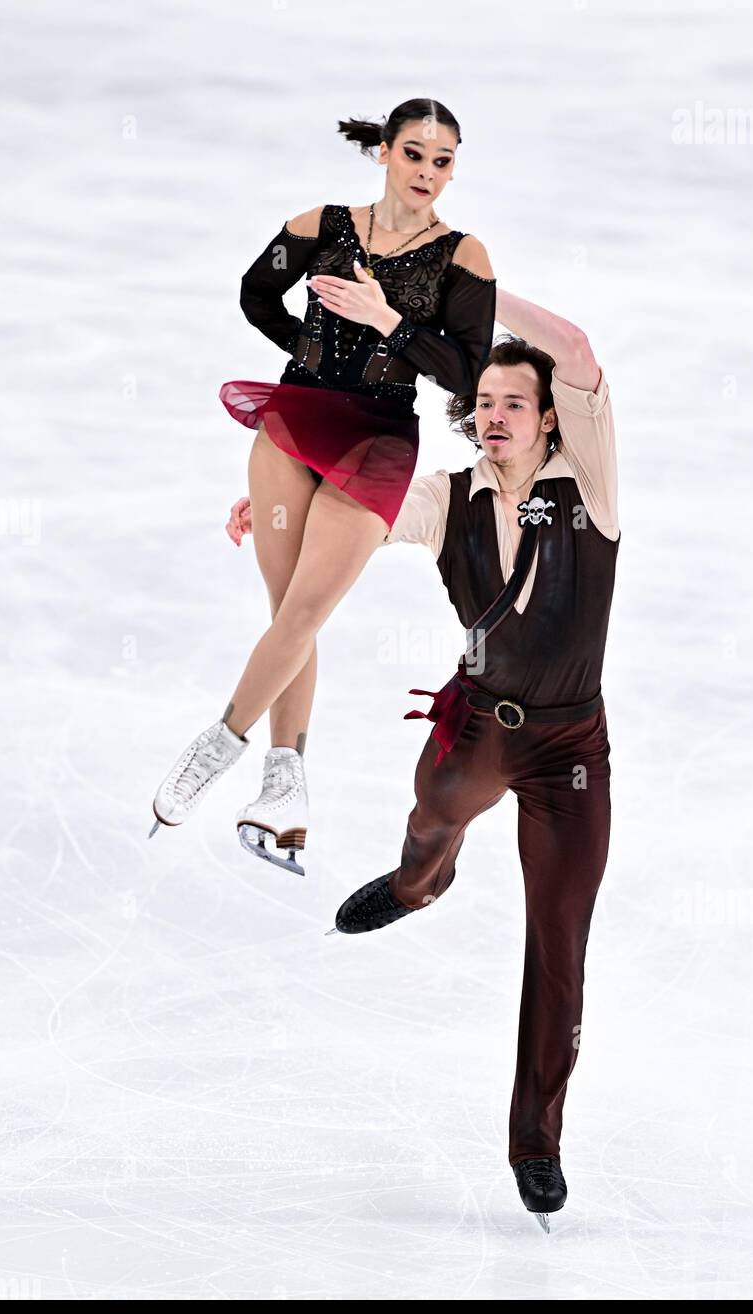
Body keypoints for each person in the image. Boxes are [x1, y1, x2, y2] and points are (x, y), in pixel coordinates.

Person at [148, 98, 496, 874]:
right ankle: (285, 788)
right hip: (293, 423)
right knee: (288, 615)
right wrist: (309, 344)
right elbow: (254, 293)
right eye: (414, 155)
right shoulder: (322, 225)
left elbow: (471, 374)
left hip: (378, 438)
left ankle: (219, 744)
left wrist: (388, 325)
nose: (428, 174)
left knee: (307, 609)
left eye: (443, 161)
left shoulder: (465, 257)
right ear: (384, 154)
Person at [332, 293, 620, 1229]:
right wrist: (280, 515)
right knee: (432, 819)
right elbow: (359, 515)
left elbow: (572, 344)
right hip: (481, 729)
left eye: (513, 402)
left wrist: (469, 290)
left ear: (547, 418)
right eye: (483, 401)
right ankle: (420, 884)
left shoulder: (592, 489)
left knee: (559, 943)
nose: (493, 415)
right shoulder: (446, 497)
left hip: (571, 745)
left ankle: (536, 1140)